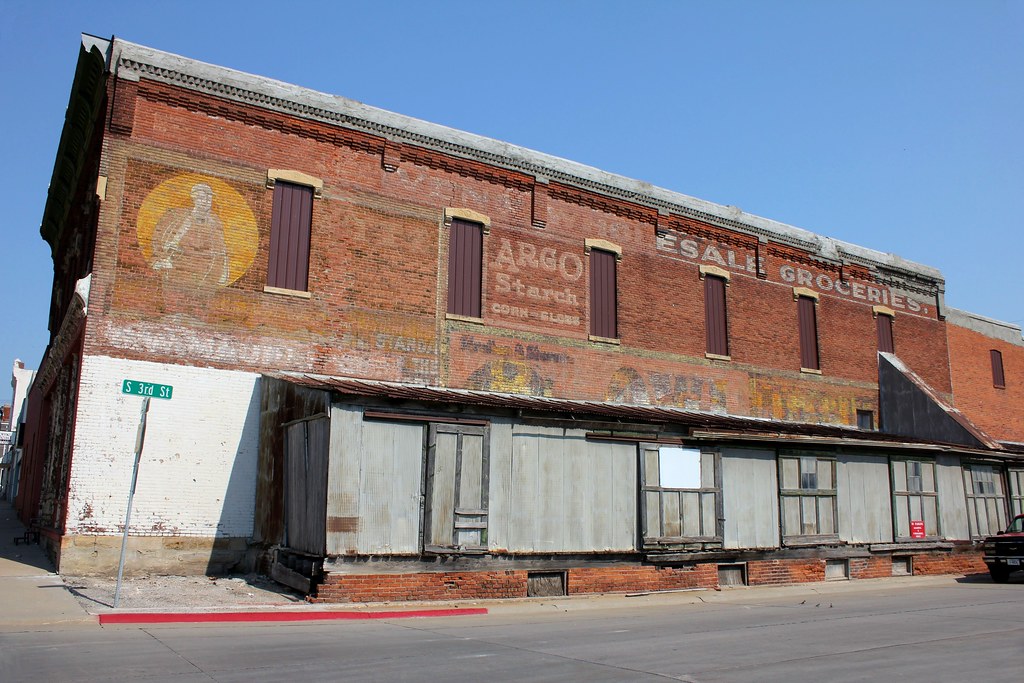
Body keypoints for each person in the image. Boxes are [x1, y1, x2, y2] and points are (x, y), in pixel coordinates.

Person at [151, 182, 229, 315]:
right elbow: (162, 238)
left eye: (208, 199)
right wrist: (162, 258)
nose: (205, 202)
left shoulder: (214, 222)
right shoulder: (179, 217)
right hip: (177, 271)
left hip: (204, 273)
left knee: (199, 309)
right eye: (201, 198)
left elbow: (221, 249)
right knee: (175, 305)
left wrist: (224, 271)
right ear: (194, 199)